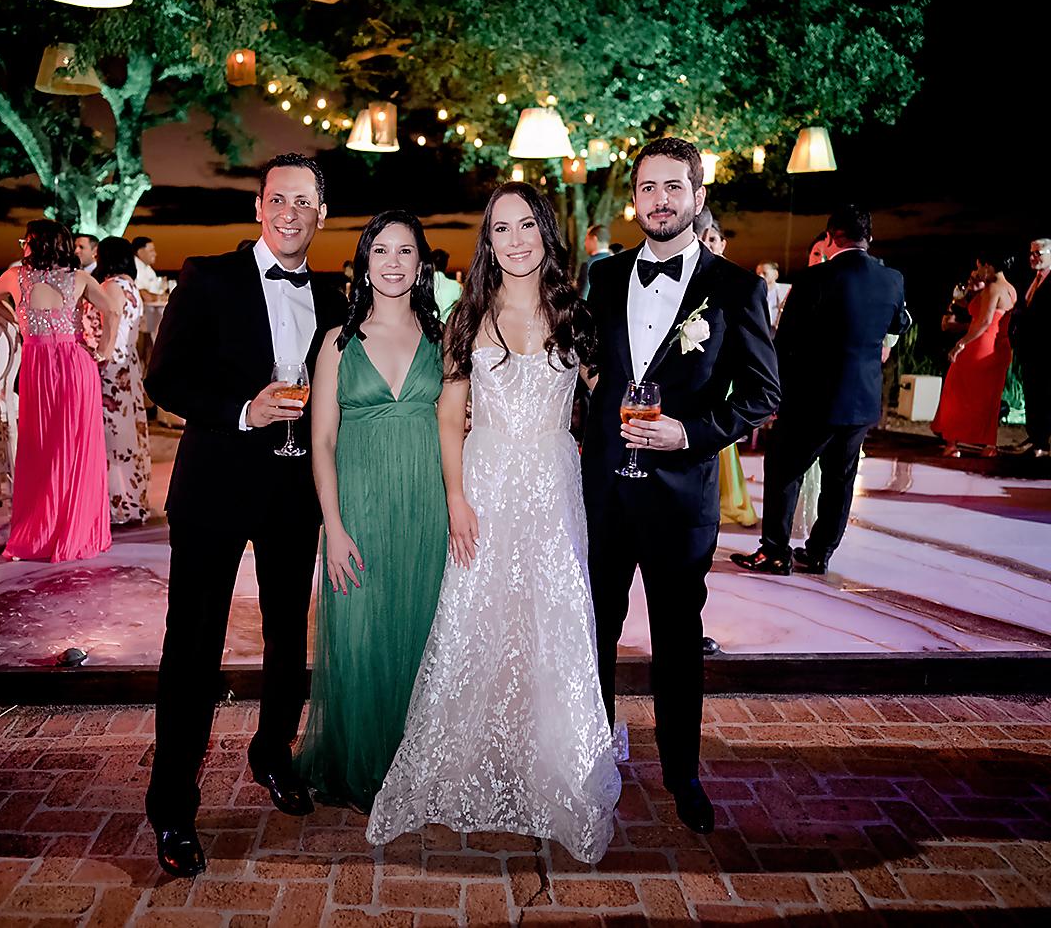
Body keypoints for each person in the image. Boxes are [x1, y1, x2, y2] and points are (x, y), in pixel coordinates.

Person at [367, 182, 621, 864]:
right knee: (476, 622)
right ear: (488, 241)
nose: (514, 240)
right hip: (482, 484)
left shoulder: (577, 314)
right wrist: (455, 496)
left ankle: (554, 768)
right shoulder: (466, 314)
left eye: (526, 226)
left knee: (551, 624)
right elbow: (449, 415)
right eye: (501, 229)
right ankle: (466, 767)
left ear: (545, 233)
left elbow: (613, 400)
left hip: (552, 489)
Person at [142, 154, 346, 879]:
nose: (290, 212)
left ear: (321, 215)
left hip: (293, 493)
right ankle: (172, 803)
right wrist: (241, 410)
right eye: (278, 199)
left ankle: (272, 752)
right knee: (192, 647)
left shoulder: (332, 293)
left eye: (305, 202)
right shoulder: (208, 275)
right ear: (260, 207)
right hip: (213, 490)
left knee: (290, 636)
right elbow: (163, 378)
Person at [583, 138, 779, 835]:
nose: (660, 200)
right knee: (593, 631)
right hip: (602, 490)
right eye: (647, 187)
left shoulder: (736, 289)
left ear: (697, 196)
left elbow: (762, 394)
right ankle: (590, 757)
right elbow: (581, 367)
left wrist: (689, 433)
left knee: (675, 636)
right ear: (634, 198)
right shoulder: (602, 280)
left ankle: (682, 772)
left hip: (678, 497)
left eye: (674, 187)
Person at [295, 211, 447, 811]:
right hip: (356, 508)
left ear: (421, 264)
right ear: (363, 263)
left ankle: (418, 768)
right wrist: (333, 526)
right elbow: (322, 442)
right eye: (379, 251)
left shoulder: (443, 339)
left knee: (421, 635)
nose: (391, 262)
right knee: (359, 639)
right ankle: (364, 765)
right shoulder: (336, 342)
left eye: (404, 251)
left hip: (426, 510)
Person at [733, 204, 908, 578]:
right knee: (840, 479)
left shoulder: (814, 280)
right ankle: (819, 553)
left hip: (812, 400)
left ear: (830, 238)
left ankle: (776, 551)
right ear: (869, 238)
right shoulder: (892, 279)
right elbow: (898, 324)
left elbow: (786, 343)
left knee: (783, 469)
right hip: (862, 400)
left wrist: (773, 393)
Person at [0, 220, 122, 562]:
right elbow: (112, 310)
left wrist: (13, 315)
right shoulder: (80, 278)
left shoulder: (15, 277)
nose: (21, 247)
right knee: (75, 449)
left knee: (40, 448)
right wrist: (104, 349)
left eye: (24, 241)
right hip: (76, 364)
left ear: (34, 243)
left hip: (39, 365)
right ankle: (76, 529)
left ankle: (41, 531)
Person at [931, 254, 1017, 457]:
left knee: (956, 388)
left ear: (988, 266)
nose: (977, 272)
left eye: (979, 267)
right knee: (990, 397)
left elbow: (984, 322)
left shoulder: (993, 287)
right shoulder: (1010, 289)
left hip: (982, 344)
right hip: (1001, 347)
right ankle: (989, 445)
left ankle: (952, 442)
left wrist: (961, 344)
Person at [93, 236, 152, 524]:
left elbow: (111, 327)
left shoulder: (111, 286)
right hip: (129, 364)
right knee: (128, 432)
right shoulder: (131, 286)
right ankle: (131, 499)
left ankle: (117, 504)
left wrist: (99, 358)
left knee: (112, 435)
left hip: (113, 368)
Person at [1010, 238, 1051, 459]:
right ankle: (1036, 437)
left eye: (1039, 252)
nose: (1033, 257)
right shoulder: (1033, 280)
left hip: (1044, 350)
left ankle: (1042, 443)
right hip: (1030, 350)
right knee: (1033, 394)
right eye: (1031, 253)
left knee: (1043, 395)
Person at [577, 223, 612, 298]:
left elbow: (584, 296)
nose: (585, 243)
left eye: (586, 239)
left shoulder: (589, 264)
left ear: (594, 239)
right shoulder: (619, 263)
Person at [756, 260, 791, 332]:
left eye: (764, 273)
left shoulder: (787, 290)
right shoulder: (754, 294)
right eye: (758, 273)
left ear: (776, 274)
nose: (760, 276)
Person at [431, 248, 462, 320]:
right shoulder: (456, 286)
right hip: (448, 328)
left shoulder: (424, 285)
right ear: (446, 265)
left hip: (427, 328)